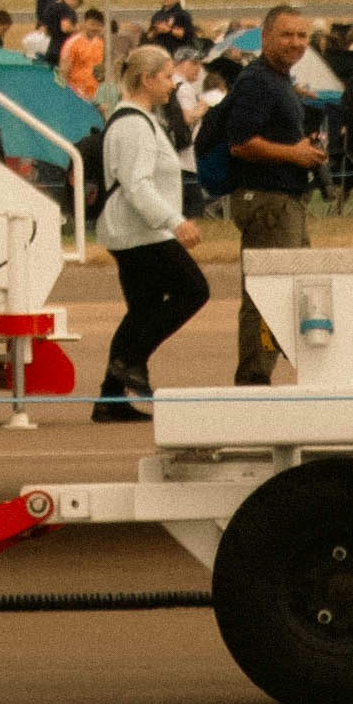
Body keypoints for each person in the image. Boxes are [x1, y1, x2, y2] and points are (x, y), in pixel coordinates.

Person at [214, 8, 331, 383]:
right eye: (286, 35)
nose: (296, 42)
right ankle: (253, 380)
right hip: (267, 203)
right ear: (265, 38)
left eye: (302, 35)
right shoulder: (258, 82)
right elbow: (240, 142)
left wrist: (302, 150)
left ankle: (271, 374)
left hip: (284, 202)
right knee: (267, 293)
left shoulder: (278, 81)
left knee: (292, 288)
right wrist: (294, 154)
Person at [93, 47, 208, 423]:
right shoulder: (134, 125)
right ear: (147, 80)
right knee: (194, 290)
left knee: (142, 310)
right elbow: (137, 184)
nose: (172, 84)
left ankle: (110, 400)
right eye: (167, 76)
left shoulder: (138, 120)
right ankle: (131, 362)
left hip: (135, 230)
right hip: (141, 231)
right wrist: (176, 221)